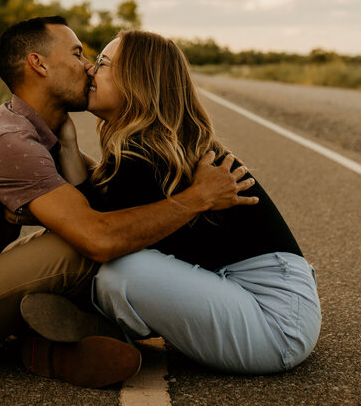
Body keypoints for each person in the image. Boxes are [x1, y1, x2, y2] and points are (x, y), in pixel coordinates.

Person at [0, 16, 256, 388]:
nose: (89, 66)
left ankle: (44, 347)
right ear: (38, 64)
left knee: (99, 229)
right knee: (82, 244)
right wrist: (196, 199)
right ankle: (106, 328)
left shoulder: (34, 134)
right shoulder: (11, 143)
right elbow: (100, 236)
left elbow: (105, 192)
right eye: (77, 54)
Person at [85, 29, 322, 374]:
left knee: (119, 272)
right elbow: (92, 204)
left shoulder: (158, 156)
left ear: (137, 81)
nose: (91, 71)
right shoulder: (156, 147)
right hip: (248, 299)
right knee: (113, 267)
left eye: (102, 63)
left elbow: (99, 230)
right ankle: (87, 329)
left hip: (276, 322)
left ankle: (88, 329)